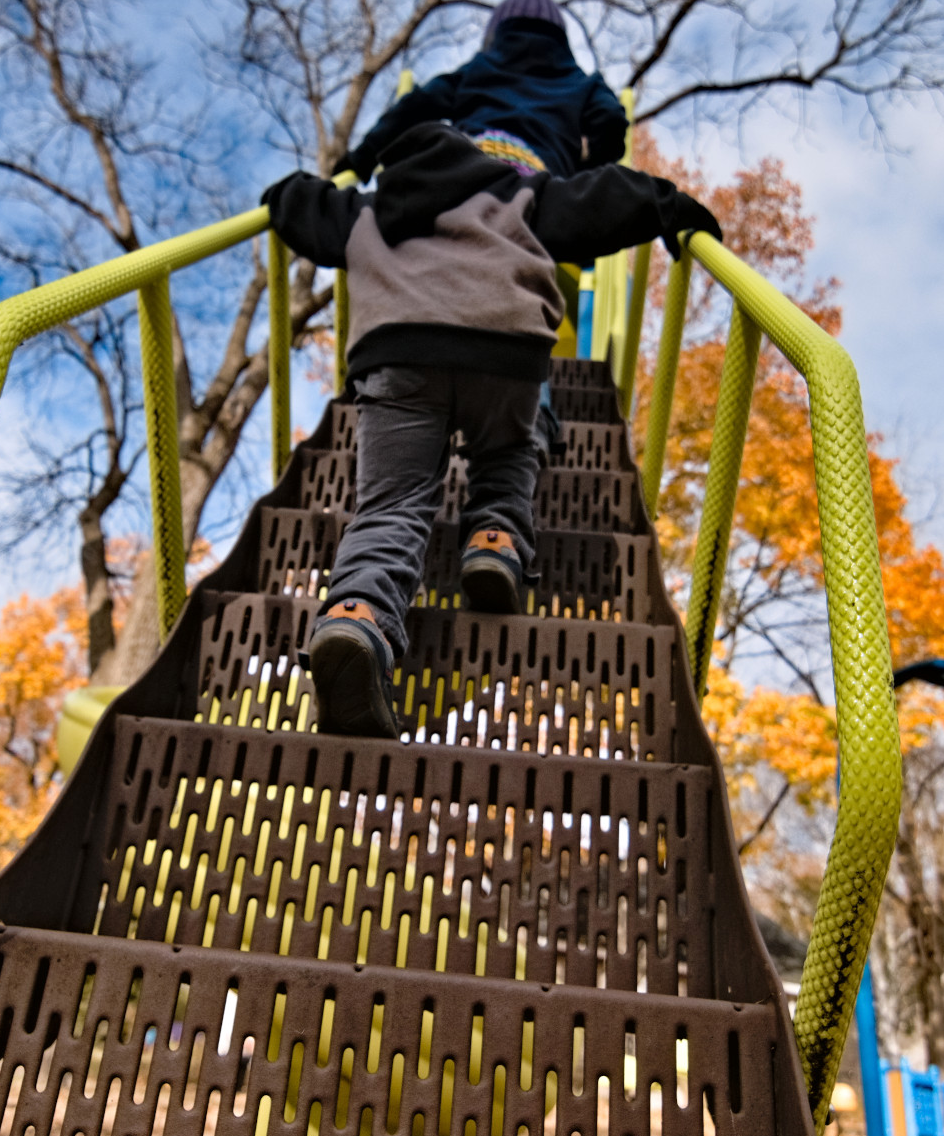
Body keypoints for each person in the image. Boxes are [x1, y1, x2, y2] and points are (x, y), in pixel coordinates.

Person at [261, 116, 722, 739]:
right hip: (504, 352)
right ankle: (497, 538)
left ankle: (356, 613)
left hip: (397, 354)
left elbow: (299, 206)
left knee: (393, 503)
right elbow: (611, 197)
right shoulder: (524, 195)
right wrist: (676, 211)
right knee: (509, 449)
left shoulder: (373, 206)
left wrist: (282, 195)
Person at [343, 0, 628, 185]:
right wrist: (582, 172)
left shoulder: (478, 69)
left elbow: (416, 105)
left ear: (495, 35)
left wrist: (364, 157)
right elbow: (611, 120)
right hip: (545, 197)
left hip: (461, 178)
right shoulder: (582, 82)